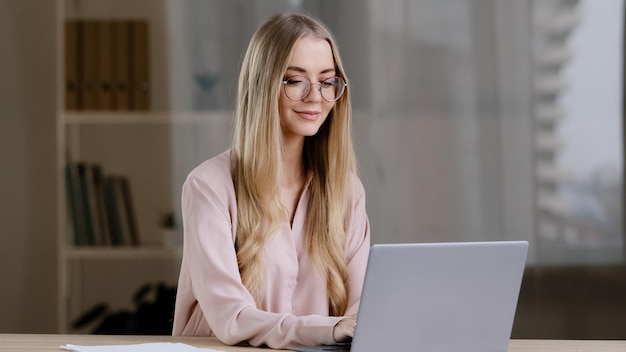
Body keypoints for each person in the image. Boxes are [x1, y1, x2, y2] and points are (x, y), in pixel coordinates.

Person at [172, 12, 370, 349]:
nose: (315, 96)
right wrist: (329, 330)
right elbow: (231, 317)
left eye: (327, 81)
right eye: (295, 80)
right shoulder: (209, 187)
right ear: (263, 86)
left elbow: (363, 313)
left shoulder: (346, 191)